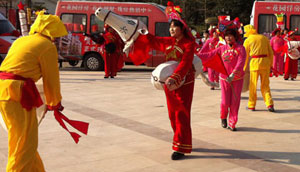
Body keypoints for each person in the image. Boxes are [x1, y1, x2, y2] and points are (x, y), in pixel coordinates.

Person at [0, 12, 67, 172]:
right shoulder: (47, 46)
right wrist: (54, 103)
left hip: (3, 90)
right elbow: (51, 78)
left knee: (19, 139)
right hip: (19, 93)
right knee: (24, 143)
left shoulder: (21, 41)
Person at [129, 3, 195, 160]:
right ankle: (181, 139)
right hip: (169, 82)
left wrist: (175, 77)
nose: (171, 29)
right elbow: (153, 40)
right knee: (172, 114)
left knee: (181, 114)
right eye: (170, 27)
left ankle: (180, 146)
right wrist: (140, 33)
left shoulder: (189, 44)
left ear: (182, 28)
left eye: (174, 27)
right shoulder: (168, 42)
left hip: (183, 82)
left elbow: (186, 63)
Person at [197, 28, 246, 131]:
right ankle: (223, 117)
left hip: (237, 79)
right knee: (225, 101)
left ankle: (232, 123)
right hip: (224, 78)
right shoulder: (221, 48)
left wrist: (233, 74)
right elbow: (209, 55)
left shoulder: (241, 48)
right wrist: (196, 56)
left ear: (235, 37)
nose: (228, 37)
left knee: (235, 102)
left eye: (230, 35)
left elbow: (241, 62)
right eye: (226, 36)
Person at [243, 24, 275, 112]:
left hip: (254, 64)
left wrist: (244, 67)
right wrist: (271, 65)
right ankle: (269, 104)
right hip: (265, 63)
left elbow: (245, 56)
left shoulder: (248, 40)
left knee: (253, 86)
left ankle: (251, 105)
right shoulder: (264, 38)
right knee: (265, 85)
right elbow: (271, 53)